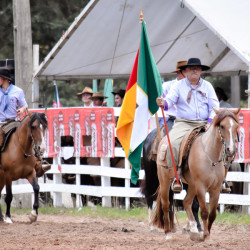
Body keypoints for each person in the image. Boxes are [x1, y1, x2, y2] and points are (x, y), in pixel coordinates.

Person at [156, 58, 219, 193]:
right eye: (192, 68)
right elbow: (170, 101)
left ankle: (221, 177)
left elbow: (215, 106)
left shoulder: (207, 86)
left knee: (222, 141)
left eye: (197, 68)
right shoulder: (178, 86)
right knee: (171, 143)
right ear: (187, 71)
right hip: (184, 123)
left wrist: (209, 123)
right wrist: (163, 103)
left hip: (204, 122)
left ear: (201, 70)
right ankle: (175, 176)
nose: (195, 70)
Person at [159, 60, 188, 129]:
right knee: (167, 137)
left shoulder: (194, 86)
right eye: (186, 71)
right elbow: (158, 96)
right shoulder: (167, 85)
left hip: (190, 121)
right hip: (172, 120)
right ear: (179, 72)